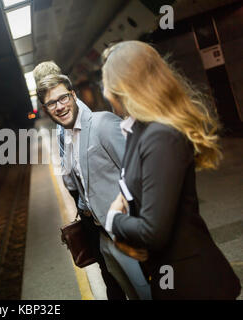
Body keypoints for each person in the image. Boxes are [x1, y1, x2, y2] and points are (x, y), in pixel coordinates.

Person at [102, 40, 241, 299]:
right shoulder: (138, 130)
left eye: (107, 80)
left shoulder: (160, 136)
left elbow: (153, 232)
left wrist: (114, 220)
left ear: (124, 85)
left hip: (195, 284)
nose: (105, 90)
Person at [34, 62, 151, 300]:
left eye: (63, 98)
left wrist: (140, 226)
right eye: (52, 103)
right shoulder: (64, 132)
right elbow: (75, 179)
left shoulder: (102, 123)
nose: (60, 106)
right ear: (45, 108)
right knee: (120, 288)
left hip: (124, 230)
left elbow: (139, 175)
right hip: (98, 230)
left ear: (73, 95)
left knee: (145, 290)